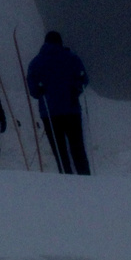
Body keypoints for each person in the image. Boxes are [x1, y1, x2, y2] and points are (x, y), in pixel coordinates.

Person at [27, 30, 91, 175]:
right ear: (60, 42)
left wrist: (43, 90)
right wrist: (75, 90)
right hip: (71, 109)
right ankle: (86, 181)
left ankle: (66, 180)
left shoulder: (36, 62)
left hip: (49, 112)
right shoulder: (72, 58)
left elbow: (34, 91)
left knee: (60, 151)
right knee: (77, 148)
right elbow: (83, 80)